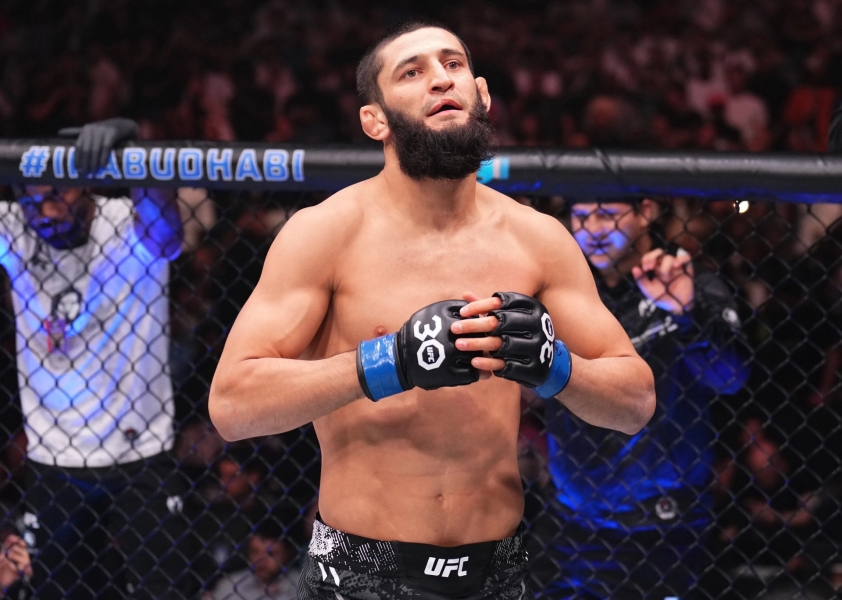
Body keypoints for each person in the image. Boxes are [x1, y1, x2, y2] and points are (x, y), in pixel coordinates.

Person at [208, 20, 656, 600]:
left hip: (497, 571)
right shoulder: (325, 234)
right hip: (360, 571)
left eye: (453, 64)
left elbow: (635, 403)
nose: (440, 80)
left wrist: (555, 367)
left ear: (481, 93)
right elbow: (233, 406)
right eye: (412, 72)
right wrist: (389, 362)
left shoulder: (538, 239)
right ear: (374, 120)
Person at [4, 118, 205, 599]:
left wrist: (134, 147)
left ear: (87, 184)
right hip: (53, 455)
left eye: (59, 194)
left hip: (139, 452)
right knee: (56, 590)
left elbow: (167, 237)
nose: (47, 210)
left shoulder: (126, 223)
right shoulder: (15, 228)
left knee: (166, 589)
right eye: (33, 199)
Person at [527, 198, 749, 599]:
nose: (593, 229)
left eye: (608, 214)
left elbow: (731, 378)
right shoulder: (563, 292)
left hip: (663, 522)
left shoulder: (689, 280)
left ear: (646, 212)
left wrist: (685, 315)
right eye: (581, 216)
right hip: (570, 515)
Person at [206, 511, 302, 600]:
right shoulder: (230, 586)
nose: (260, 560)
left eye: (271, 554)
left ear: (289, 553)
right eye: (255, 552)